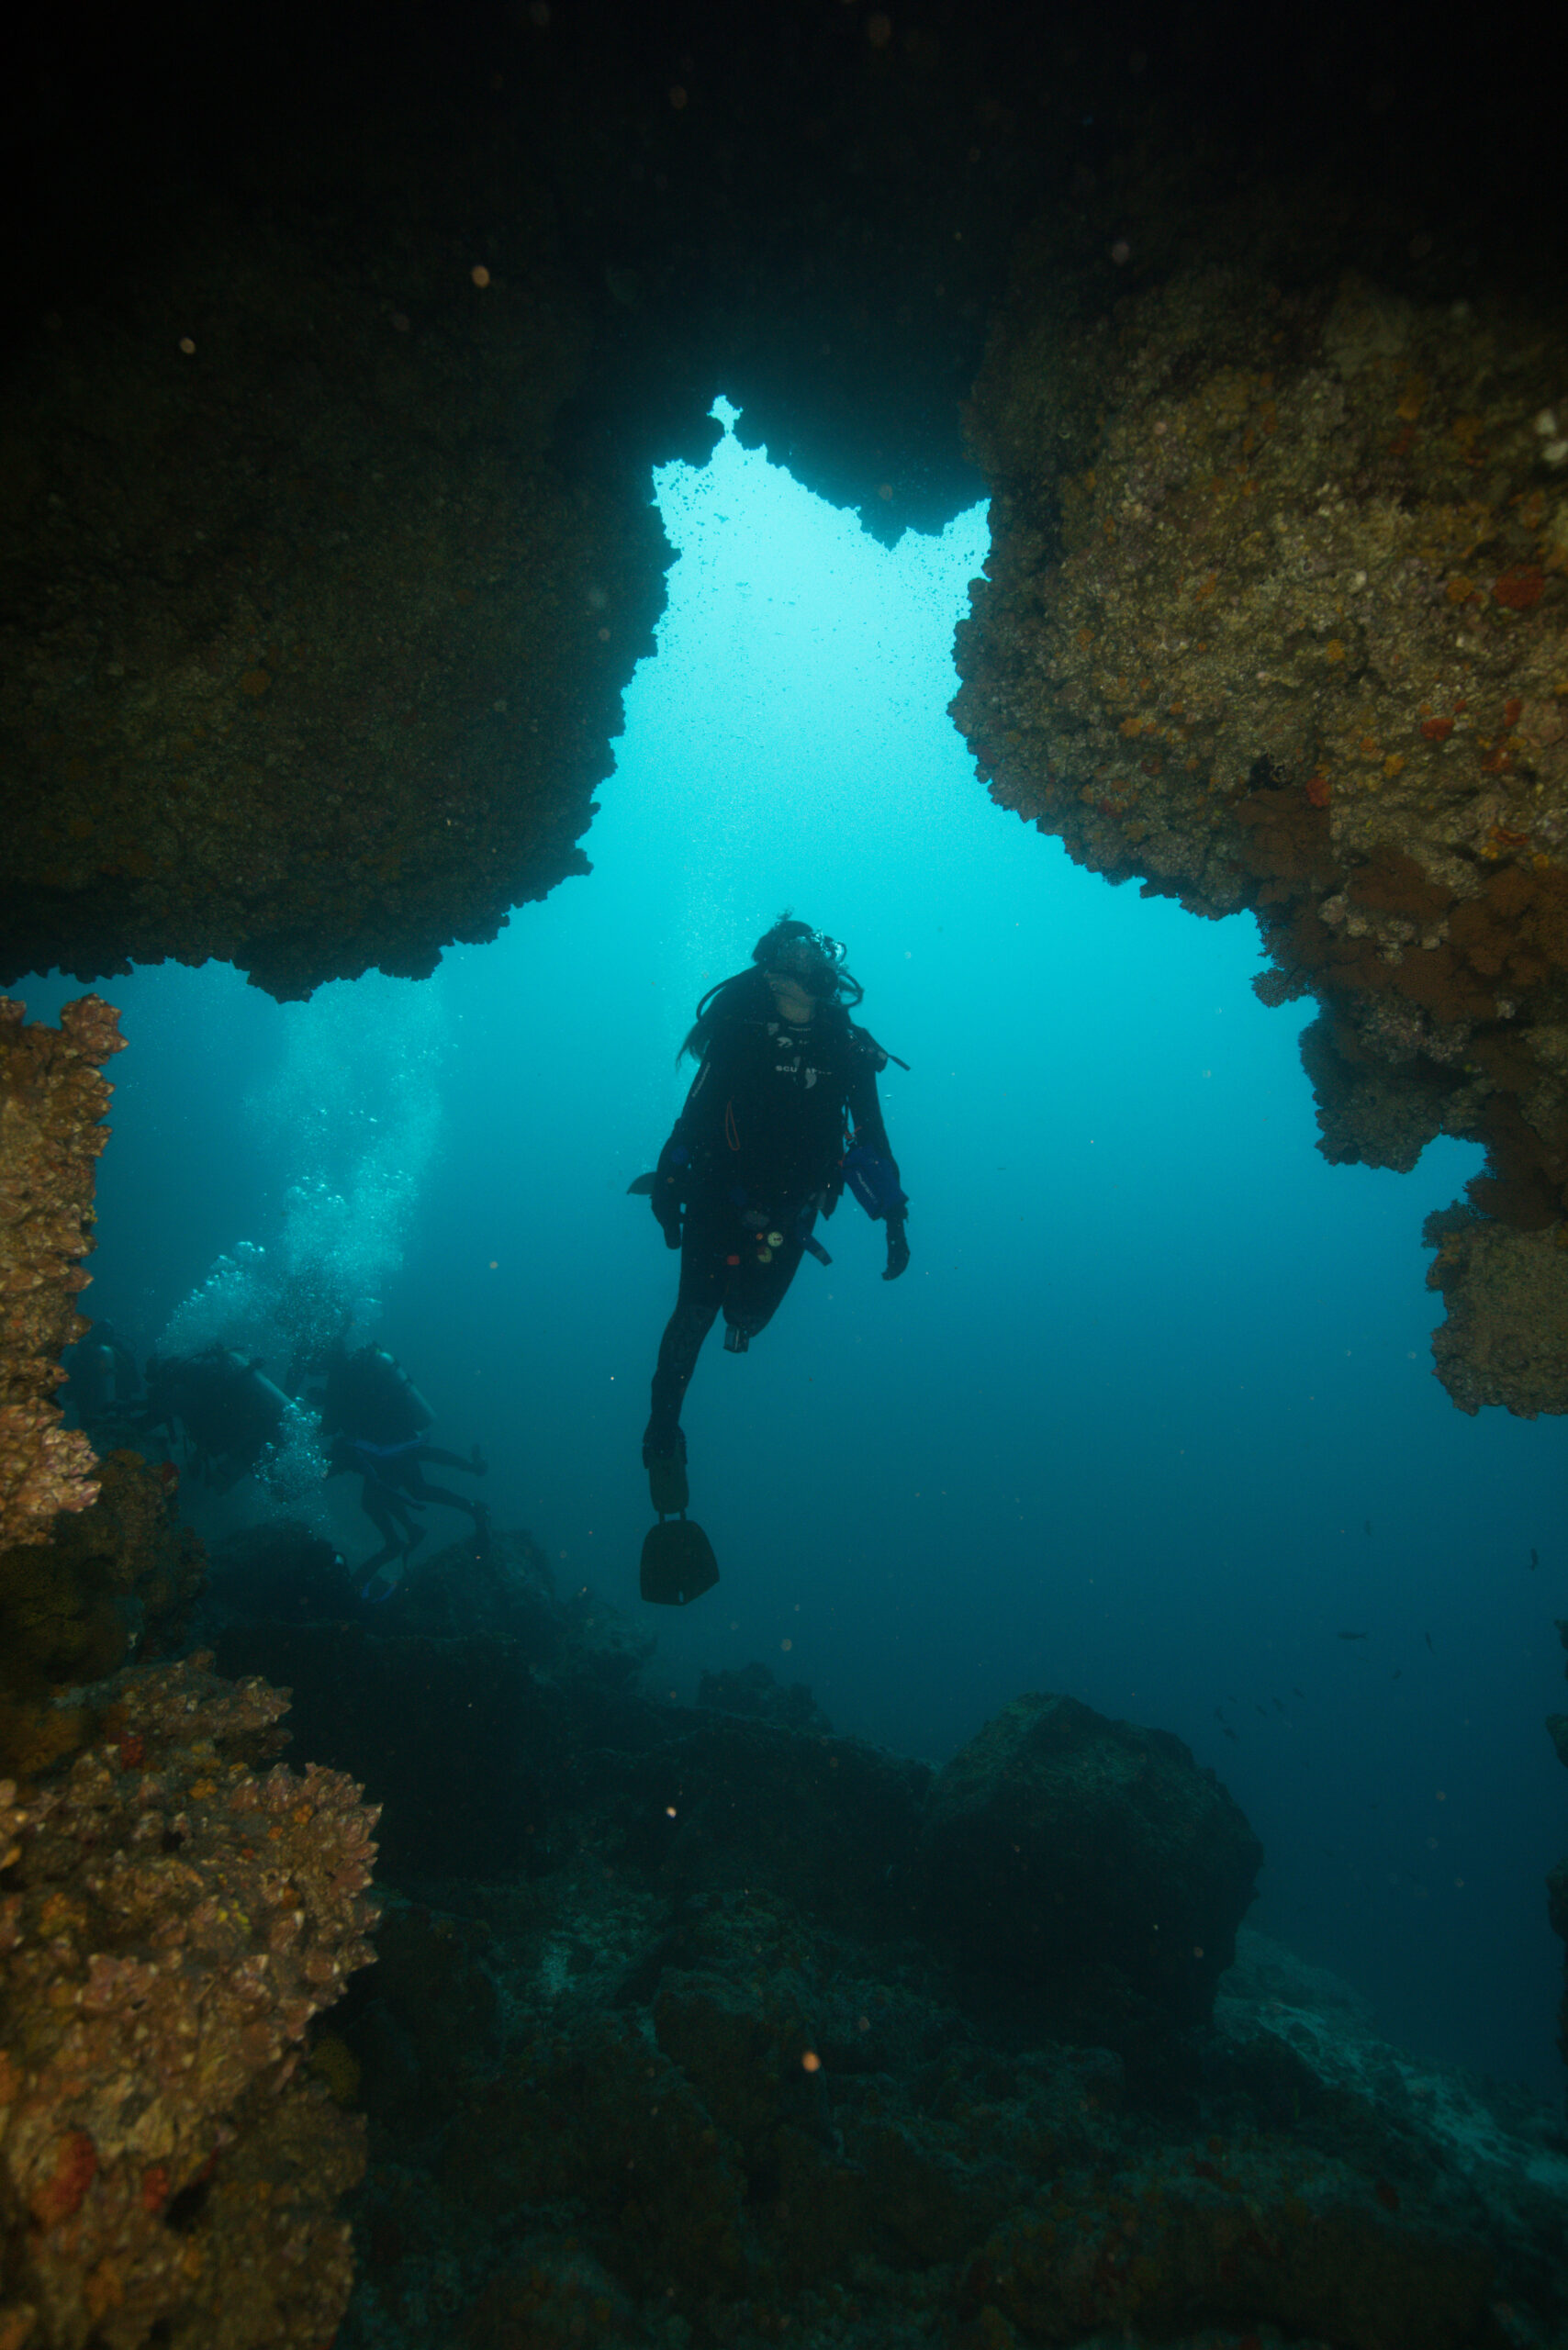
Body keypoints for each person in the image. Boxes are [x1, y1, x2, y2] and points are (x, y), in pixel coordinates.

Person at [637, 915, 910, 1525]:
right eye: (787, 959)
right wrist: (670, 1184)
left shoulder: (847, 1044)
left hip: (791, 1209)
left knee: (747, 1317)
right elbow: (694, 1117)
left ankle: (724, 1343)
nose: (797, 970)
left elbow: (870, 1134)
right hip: (717, 1196)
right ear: (767, 972)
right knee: (695, 1311)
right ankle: (662, 1433)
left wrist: (895, 1215)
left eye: (809, 958)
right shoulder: (739, 1031)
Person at [311, 1340, 490, 1601]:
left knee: (394, 1495)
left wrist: (320, 1404)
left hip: (385, 1449)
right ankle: (462, 1508)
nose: (318, 1361)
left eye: (321, 1355)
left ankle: (409, 1536)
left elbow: (330, 1425)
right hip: (395, 1442)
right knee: (410, 1491)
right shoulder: (362, 1371)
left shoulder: (341, 1379)